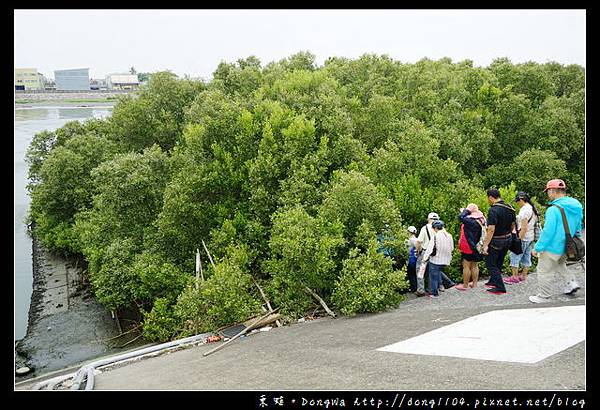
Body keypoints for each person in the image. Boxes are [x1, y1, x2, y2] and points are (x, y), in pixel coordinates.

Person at [529, 179, 584, 303]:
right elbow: (578, 227)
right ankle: (571, 283)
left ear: (552, 191)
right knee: (560, 264)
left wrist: (537, 248)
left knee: (543, 271)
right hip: (567, 246)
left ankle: (544, 296)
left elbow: (548, 232)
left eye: (548, 191)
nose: (548, 194)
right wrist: (576, 240)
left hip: (552, 247)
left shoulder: (553, 210)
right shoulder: (576, 206)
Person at [481, 189, 516, 294]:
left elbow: (491, 229)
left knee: (490, 264)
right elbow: (513, 224)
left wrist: (485, 245)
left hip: (497, 240)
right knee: (499, 261)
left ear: (491, 197)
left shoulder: (493, 210)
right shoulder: (510, 207)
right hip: (508, 238)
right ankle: (493, 281)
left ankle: (500, 287)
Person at [415, 212, 456, 296]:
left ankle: (421, 290)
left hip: (426, 251)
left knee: (421, 270)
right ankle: (442, 285)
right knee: (435, 269)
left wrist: (418, 251)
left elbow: (419, 241)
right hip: (439, 254)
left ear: (428, 219)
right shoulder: (443, 229)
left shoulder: (425, 228)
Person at [504, 191, 540, 284]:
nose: (517, 203)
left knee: (514, 256)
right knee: (526, 257)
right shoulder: (532, 208)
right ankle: (523, 276)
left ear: (521, 200)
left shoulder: (525, 210)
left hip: (524, 237)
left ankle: (514, 277)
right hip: (530, 237)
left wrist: (518, 239)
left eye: (517, 201)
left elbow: (524, 227)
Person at [456, 204, 486, 290]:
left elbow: (460, 217)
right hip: (478, 245)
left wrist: (466, 211)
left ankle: (465, 285)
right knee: (475, 265)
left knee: (466, 266)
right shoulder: (482, 219)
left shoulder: (469, 221)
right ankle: (474, 284)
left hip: (468, 246)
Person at [405, 226, 419, 292]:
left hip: (410, 260)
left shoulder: (408, 240)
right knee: (416, 274)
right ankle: (417, 287)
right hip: (417, 259)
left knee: (411, 274)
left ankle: (413, 288)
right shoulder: (417, 239)